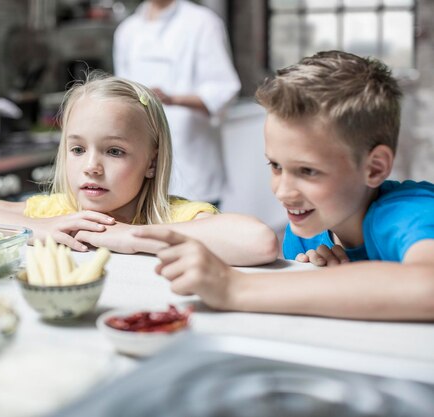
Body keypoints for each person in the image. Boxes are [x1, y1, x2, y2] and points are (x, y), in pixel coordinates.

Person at [136, 51, 434, 321]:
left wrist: (235, 287)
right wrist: (327, 284)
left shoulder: (408, 212)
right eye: (276, 166)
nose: (282, 192)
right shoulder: (306, 230)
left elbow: (427, 287)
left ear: (375, 168)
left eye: (308, 171)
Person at [0, 73, 277, 266]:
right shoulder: (58, 214)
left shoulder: (173, 217)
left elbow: (258, 242)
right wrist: (35, 227)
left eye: (114, 151)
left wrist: (126, 237)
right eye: (77, 149)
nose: (91, 166)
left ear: (151, 161)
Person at [113, 0, 240, 207]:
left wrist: (173, 99)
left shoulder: (203, 22)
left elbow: (223, 90)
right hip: (141, 171)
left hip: (194, 168)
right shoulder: (127, 30)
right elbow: (122, 92)